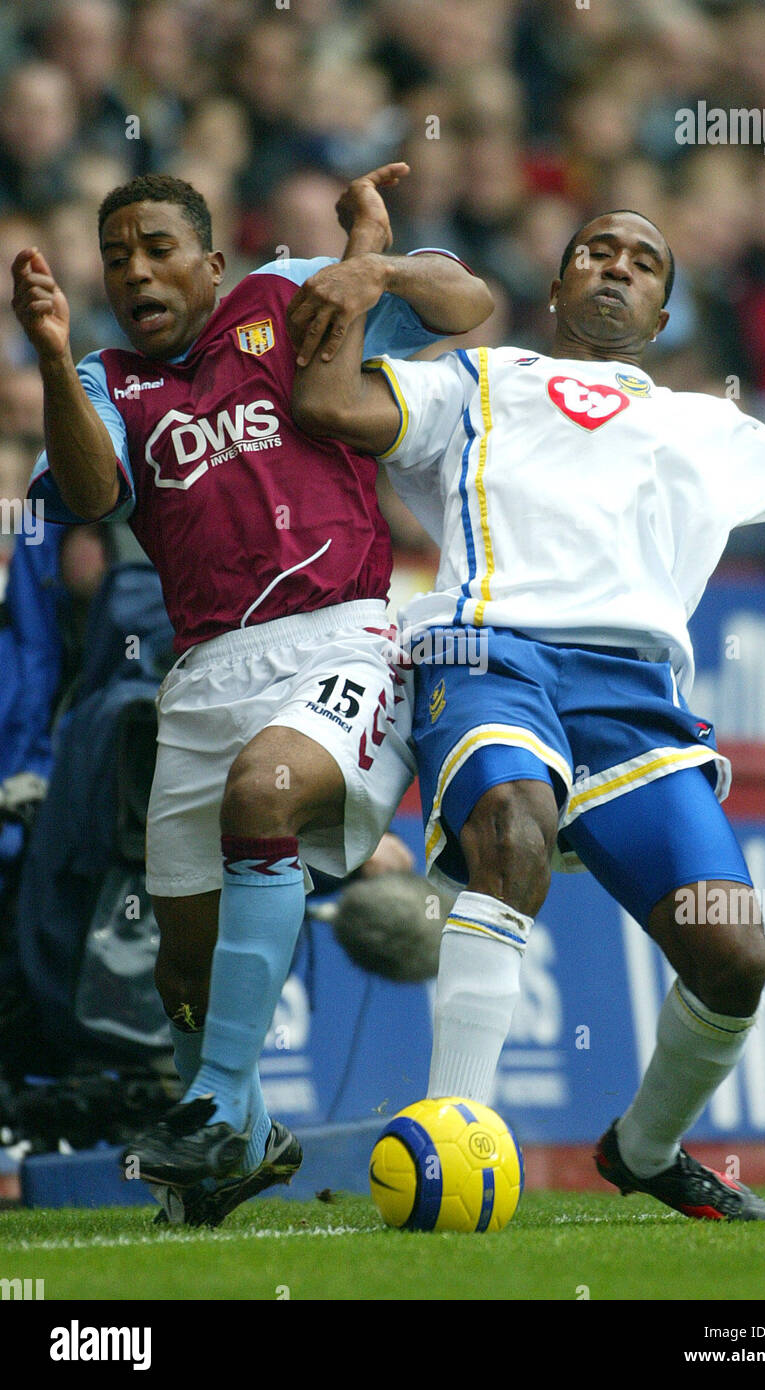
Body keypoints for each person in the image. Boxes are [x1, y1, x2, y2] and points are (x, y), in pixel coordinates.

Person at [290, 208, 765, 1222]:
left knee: (732, 954)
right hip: (488, 654)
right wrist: (357, 276)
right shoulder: (474, 381)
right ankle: (451, 1134)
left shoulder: (705, 428)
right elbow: (329, 402)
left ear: (659, 313)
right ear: (553, 290)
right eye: (593, 251)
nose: (615, 267)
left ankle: (642, 1149)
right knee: (513, 820)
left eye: (642, 262)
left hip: (635, 700)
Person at [13, 164, 492, 1226]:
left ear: (213, 262)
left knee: (262, 797)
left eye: (158, 247)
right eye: (119, 256)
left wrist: (368, 268)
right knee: (182, 966)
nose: (137, 268)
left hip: (339, 638)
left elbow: (468, 307)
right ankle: (241, 1139)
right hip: (200, 672)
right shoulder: (105, 377)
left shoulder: (289, 296)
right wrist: (50, 358)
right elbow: (92, 495)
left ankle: (214, 1100)